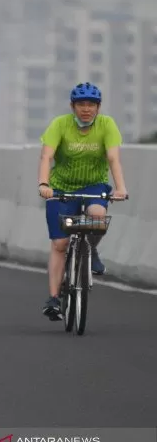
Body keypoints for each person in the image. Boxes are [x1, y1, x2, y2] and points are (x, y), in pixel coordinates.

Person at [37, 82, 128, 320]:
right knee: (60, 243)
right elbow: (46, 156)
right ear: (72, 106)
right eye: (81, 104)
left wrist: (120, 188)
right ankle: (54, 299)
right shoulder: (60, 124)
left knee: (98, 215)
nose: (86, 109)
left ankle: (92, 249)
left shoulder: (107, 125)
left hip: (93, 185)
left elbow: (113, 159)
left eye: (91, 105)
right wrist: (44, 184)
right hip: (61, 187)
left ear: (98, 107)